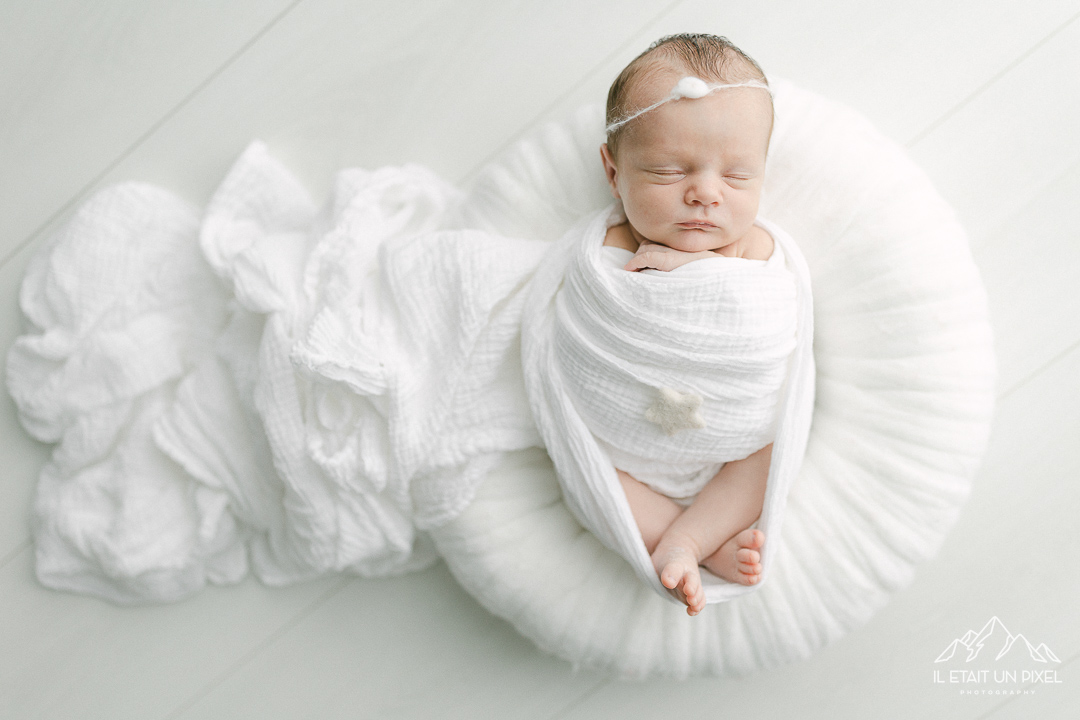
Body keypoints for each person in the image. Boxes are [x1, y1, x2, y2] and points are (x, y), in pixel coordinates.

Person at [596, 34, 784, 616]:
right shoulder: (606, 246)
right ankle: (683, 535)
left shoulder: (755, 249)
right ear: (613, 171)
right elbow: (580, 321)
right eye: (669, 170)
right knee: (590, 470)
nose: (704, 193)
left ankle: (692, 537)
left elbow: (766, 315)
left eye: (736, 177)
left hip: (731, 426)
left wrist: (698, 269)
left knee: (768, 453)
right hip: (626, 427)